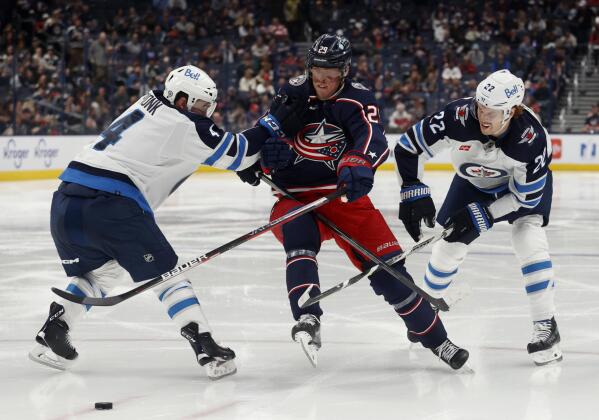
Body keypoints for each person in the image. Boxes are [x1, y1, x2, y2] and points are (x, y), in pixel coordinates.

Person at [29, 65, 304, 379]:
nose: (205, 113)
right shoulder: (187, 124)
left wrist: (242, 161)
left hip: (65, 202)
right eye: (200, 106)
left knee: (101, 272)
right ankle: (204, 345)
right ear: (183, 100)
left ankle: (57, 327)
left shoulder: (151, 102)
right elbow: (239, 153)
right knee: (169, 276)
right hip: (110, 205)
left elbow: (187, 153)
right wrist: (270, 123)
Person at [238, 34, 469, 370]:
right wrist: (256, 160)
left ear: (344, 70)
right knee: (299, 236)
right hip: (295, 197)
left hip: (342, 195)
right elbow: (265, 133)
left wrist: (358, 163)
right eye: (317, 70)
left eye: (330, 73)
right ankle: (307, 318)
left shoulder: (357, 98)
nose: (322, 80)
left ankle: (439, 342)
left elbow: (372, 137)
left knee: (391, 272)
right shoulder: (292, 91)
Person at [394, 69, 562, 366]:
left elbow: (526, 198)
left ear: (512, 111)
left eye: (492, 111)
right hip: (472, 182)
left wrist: (485, 213)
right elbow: (408, 148)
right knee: (448, 246)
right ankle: (425, 313)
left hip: (515, 190)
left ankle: (546, 324)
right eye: (480, 106)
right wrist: (413, 190)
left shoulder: (531, 139)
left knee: (527, 236)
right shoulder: (457, 116)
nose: (482, 115)